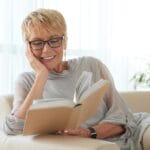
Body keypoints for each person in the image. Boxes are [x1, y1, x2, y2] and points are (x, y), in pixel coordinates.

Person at [2, 8, 150, 150]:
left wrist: (89, 132)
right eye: (37, 43)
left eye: (54, 40)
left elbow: (124, 117)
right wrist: (41, 76)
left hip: (128, 134)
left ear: (65, 41)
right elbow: (12, 128)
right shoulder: (26, 80)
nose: (46, 50)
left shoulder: (92, 65)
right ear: (28, 47)